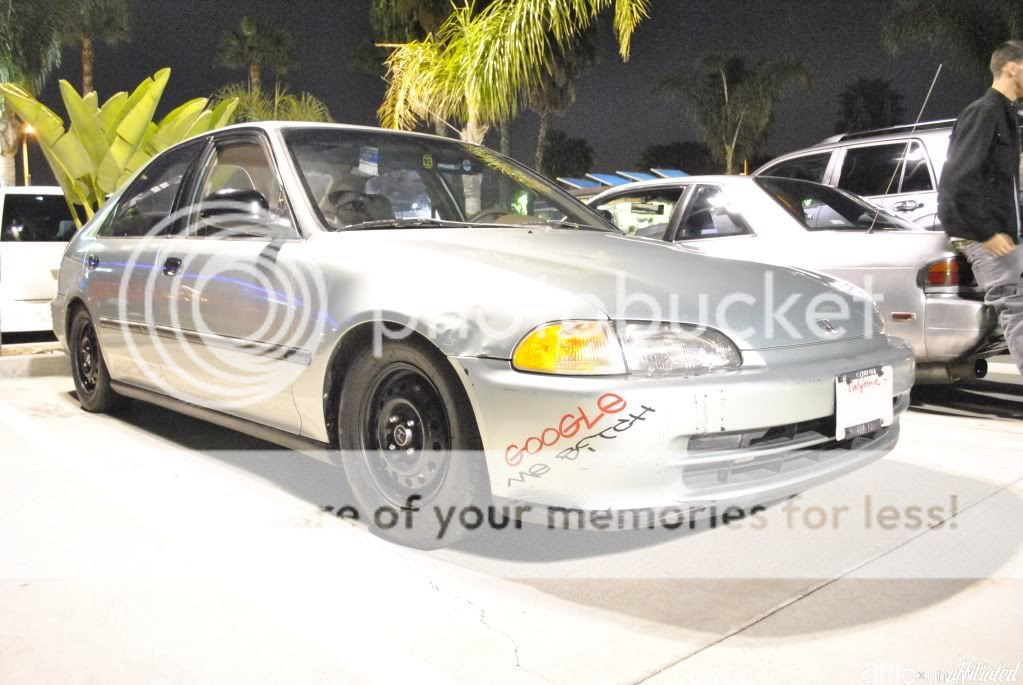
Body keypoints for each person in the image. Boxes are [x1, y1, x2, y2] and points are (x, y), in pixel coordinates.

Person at [938, 40, 1023, 373]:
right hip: (986, 237)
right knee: (1015, 308)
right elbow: (958, 181)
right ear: (1012, 67)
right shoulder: (984, 112)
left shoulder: (1008, 115)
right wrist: (988, 233)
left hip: (1006, 234)